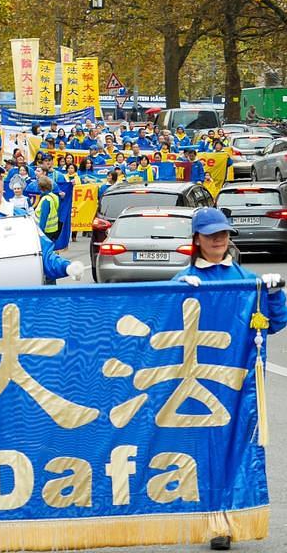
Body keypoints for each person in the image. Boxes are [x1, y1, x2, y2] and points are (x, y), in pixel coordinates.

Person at [173, 208, 285, 553]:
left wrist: (275, 294)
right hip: (197, 381)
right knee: (206, 454)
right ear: (197, 239)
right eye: (210, 235)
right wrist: (175, 293)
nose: (218, 240)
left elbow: (274, 323)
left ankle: (230, 518)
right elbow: (165, 324)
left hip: (239, 384)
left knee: (238, 451)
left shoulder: (246, 280)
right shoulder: (184, 280)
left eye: (223, 234)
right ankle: (213, 522)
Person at [34, 176, 61, 243]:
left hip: (46, 229)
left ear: (41, 188)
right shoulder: (55, 196)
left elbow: (44, 216)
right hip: (54, 228)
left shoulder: (46, 199)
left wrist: (41, 231)